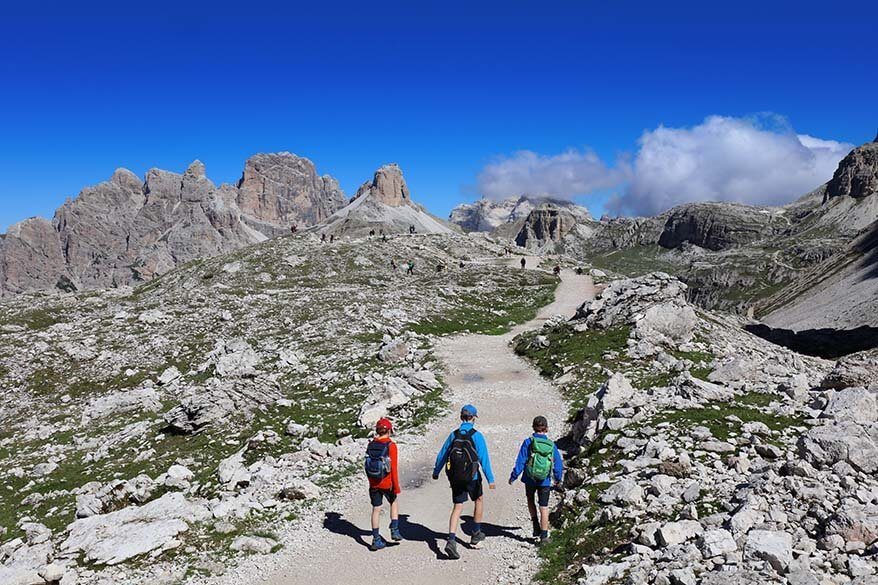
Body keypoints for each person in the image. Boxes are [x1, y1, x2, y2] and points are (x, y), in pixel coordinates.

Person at [432, 404, 495, 560]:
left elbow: (442, 455)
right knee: (478, 500)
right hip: (472, 477)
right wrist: (490, 479)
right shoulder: (477, 435)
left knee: (457, 507)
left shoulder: (453, 435)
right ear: (474, 418)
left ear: (461, 417)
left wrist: (436, 471)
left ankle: (451, 540)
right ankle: (475, 534)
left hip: (456, 477)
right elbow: (484, 459)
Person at [508, 416, 563, 545]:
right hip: (545, 480)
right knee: (544, 507)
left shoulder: (528, 442)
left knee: (530, 499)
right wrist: (558, 479)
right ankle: (544, 536)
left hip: (530, 478)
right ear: (547, 429)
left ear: (533, 428)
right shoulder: (551, 445)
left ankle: (535, 524)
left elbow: (521, 461)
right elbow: (558, 464)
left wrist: (514, 476)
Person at [364, 418, 402, 550]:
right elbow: (394, 469)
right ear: (390, 431)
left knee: (376, 509)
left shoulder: (371, 444)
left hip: (374, 483)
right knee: (393, 502)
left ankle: (376, 539)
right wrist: (396, 486)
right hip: (387, 483)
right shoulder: (391, 446)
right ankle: (395, 529)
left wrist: (371, 482)